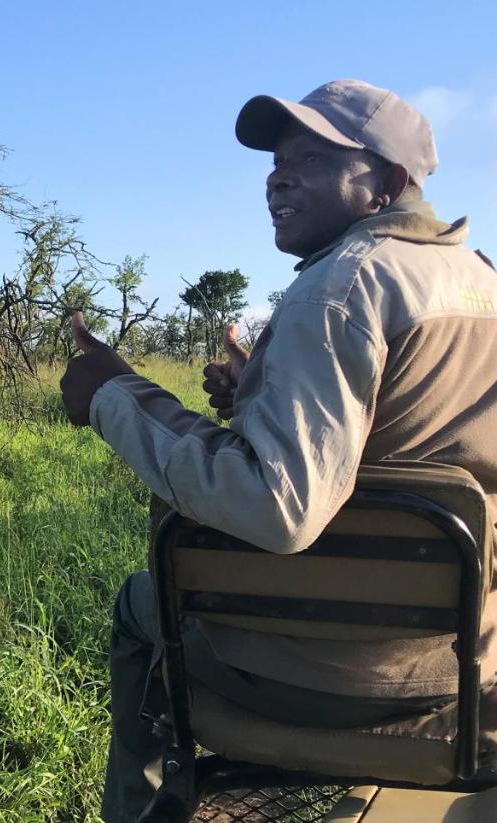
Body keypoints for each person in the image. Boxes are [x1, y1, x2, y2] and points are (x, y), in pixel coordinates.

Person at [59, 79, 497, 822]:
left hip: (323, 672)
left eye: (314, 158)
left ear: (388, 183)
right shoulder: (479, 281)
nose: (278, 175)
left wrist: (116, 394)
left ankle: (134, 809)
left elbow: (279, 507)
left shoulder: (342, 286)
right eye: (277, 159)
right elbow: (401, 443)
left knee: (139, 604)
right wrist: (259, 395)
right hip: (458, 662)